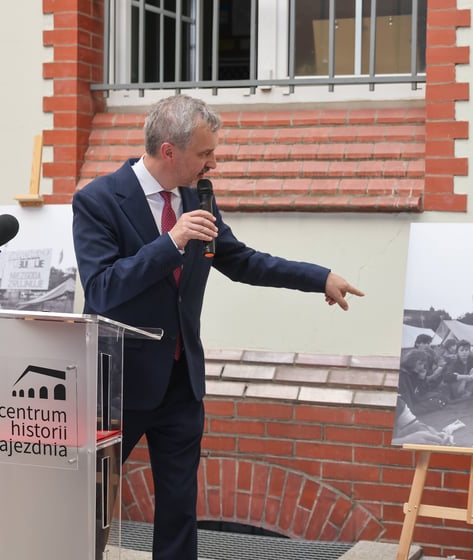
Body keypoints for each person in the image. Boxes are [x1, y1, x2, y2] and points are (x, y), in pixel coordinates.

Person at [72, 94, 363, 560]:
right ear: (169, 151)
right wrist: (171, 241)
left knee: (179, 508)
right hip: (117, 384)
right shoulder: (98, 200)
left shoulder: (197, 197)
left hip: (180, 382)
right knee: (88, 501)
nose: (214, 163)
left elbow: (242, 261)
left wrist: (319, 278)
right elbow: (103, 288)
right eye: (205, 153)